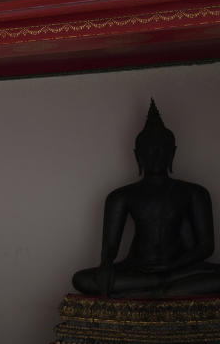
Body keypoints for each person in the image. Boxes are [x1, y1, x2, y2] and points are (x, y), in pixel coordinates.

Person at [73, 100, 220, 298]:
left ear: (172, 153)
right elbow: (109, 249)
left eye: (162, 149)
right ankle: (162, 287)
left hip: (180, 268)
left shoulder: (194, 193)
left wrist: (173, 265)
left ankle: (153, 289)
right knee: (81, 279)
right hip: (137, 269)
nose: (155, 154)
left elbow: (206, 247)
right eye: (148, 149)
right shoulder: (121, 196)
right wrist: (106, 267)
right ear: (137, 156)